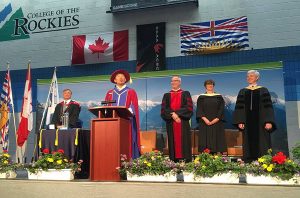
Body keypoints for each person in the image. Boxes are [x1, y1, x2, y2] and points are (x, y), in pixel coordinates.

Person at [233, 70, 276, 162]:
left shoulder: (263, 90)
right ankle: (249, 161)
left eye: (251, 76)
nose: (249, 78)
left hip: (261, 121)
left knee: (263, 142)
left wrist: (269, 121)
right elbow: (239, 107)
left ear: (257, 78)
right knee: (247, 142)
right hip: (247, 121)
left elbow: (268, 107)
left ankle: (264, 162)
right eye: (248, 76)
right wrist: (240, 121)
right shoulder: (242, 91)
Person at [104, 69, 140, 159]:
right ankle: (112, 159)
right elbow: (106, 107)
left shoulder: (131, 91)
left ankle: (129, 160)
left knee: (127, 140)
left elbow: (133, 106)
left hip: (127, 122)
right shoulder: (110, 93)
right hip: (112, 122)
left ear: (125, 80)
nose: (121, 78)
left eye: (123, 77)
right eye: (118, 76)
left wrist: (127, 112)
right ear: (115, 80)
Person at [161, 76, 193, 162]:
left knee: (184, 142)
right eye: (172, 81)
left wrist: (177, 114)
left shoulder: (186, 93)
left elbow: (189, 107)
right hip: (171, 122)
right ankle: (173, 162)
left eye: (175, 81)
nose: (173, 82)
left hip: (183, 122)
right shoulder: (167, 95)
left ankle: (186, 162)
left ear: (179, 82)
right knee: (172, 141)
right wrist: (173, 115)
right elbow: (164, 109)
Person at [196, 79, 226, 154]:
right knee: (205, 141)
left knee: (217, 140)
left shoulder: (219, 97)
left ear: (213, 86)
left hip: (217, 122)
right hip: (204, 123)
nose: (210, 85)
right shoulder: (201, 97)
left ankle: (217, 158)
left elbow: (221, 109)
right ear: (205, 86)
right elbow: (199, 109)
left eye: (211, 84)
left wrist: (216, 119)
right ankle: (205, 157)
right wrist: (205, 119)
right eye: (208, 84)